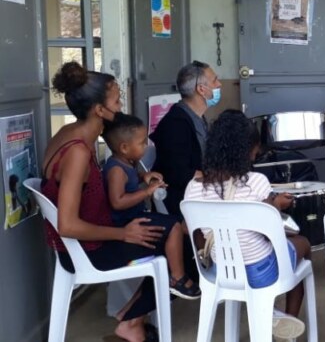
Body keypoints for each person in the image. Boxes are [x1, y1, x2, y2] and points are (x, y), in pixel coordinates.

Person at [41, 62, 174, 341]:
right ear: (99, 110)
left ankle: (133, 321)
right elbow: (67, 224)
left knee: (173, 232)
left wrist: (138, 177)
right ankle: (130, 322)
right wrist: (123, 233)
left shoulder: (71, 134)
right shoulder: (77, 152)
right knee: (180, 245)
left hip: (85, 241)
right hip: (88, 250)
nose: (121, 104)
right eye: (116, 99)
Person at [183, 110, 310, 339]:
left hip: (220, 270)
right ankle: (286, 322)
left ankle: (271, 312)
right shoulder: (257, 183)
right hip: (260, 273)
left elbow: (190, 229)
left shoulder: (193, 188)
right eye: (254, 148)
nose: (256, 154)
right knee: (302, 244)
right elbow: (270, 228)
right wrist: (276, 204)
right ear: (245, 150)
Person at [102, 113, 200, 299]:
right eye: (141, 143)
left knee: (183, 226)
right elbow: (117, 201)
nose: (146, 147)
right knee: (174, 227)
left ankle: (195, 265)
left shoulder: (126, 163)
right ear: (124, 147)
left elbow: (130, 179)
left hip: (136, 216)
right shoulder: (115, 169)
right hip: (127, 223)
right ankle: (178, 278)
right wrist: (147, 192)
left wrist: (143, 177)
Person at [150, 60, 221, 219]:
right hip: (182, 202)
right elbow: (179, 173)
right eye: (215, 80)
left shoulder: (197, 117)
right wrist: (217, 178)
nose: (219, 84)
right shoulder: (175, 124)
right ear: (201, 89)